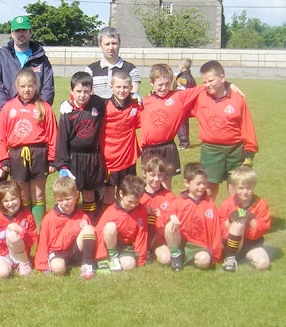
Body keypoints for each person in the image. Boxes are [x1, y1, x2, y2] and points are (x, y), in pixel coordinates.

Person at [0, 68, 58, 229]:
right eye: (23, 86)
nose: (27, 90)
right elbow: (2, 135)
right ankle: (25, 226)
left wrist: (52, 159)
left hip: (39, 153)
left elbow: (53, 134)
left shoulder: (44, 107)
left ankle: (38, 229)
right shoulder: (8, 108)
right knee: (22, 193)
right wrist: (3, 158)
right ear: (17, 87)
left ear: (36, 86)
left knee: (38, 193)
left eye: (30, 86)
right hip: (17, 155)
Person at [192, 60, 258, 199]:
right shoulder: (200, 97)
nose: (207, 85)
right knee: (208, 190)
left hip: (235, 150)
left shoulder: (237, 98)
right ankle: (208, 218)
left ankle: (237, 218)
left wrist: (250, 152)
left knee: (236, 189)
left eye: (211, 80)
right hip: (211, 151)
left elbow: (247, 125)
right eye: (204, 82)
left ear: (222, 78)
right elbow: (177, 99)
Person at [139, 63, 206, 191]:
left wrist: (228, 84)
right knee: (149, 186)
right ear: (151, 83)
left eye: (167, 84)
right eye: (160, 84)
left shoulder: (179, 97)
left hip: (167, 147)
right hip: (149, 149)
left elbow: (202, 88)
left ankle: (166, 209)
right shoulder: (144, 102)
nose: (164, 88)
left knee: (165, 185)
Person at [55, 71, 106, 224]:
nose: (82, 95)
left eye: (86, 91)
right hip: (74, 158)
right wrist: (62, 165)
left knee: (90, 193)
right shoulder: (67, 112)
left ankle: (91, 224)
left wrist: (132, 96)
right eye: (78, 91)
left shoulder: (97, 103)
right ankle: (72, 224)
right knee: (72, 193)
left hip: (92, 158)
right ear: (71, 92)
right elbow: (62, 140)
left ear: (91, 91)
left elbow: (117, 100)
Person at [157, 162, 222, 271]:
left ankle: (189, 259)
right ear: (187, 183)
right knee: (170, 225)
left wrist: (215, 255)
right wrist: (171, 217)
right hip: (180, 243)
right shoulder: (178, 202)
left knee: (204, 260)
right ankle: (177, 257)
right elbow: (159, 223)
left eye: (204, 183)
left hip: (199, 247)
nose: (202, 187)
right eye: (198, 184)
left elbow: (216, 231)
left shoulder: (209, 205)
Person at [34, 177, 97, 279]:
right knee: (59, 269)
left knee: (89, 228)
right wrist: (42, 264)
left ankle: (87, 264)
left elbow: (90, 240)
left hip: (75, 250)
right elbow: (43, 242)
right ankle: (58, 264)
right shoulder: (49, 218)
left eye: (68, 199)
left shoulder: (82, 216)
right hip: (58, 252)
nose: (64, 203)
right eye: (60, 200)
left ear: (77, 195)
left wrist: (96, 257)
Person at [0, 15, 54, 111]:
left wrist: (39, 110)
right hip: (6, 115)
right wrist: (7, 111)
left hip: (34, 115)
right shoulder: (0, 56)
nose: (20, 34)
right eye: (17, 30)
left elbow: (48, 88)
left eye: (24, 30)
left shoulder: (41, 58)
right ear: (12, 32)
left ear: (31, 32)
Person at [100, 71, 142, 209]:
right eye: (118, 87)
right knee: (108, 194)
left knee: (126, 193)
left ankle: (124, 223)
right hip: (109, 159)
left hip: (128, 159)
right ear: (111, 87)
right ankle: (107, 222)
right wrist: (67, 102)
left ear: (131, 88)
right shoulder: (103, 106)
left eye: (125, 87)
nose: (122, 90)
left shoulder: (136, 105)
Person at [218, 166, 271, 272]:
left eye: (249, 188)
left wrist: (251, 219)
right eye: (241, 188)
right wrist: (230, 220)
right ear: (235, 187)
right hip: (230, 244)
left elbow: (264, 228)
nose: (245, 191)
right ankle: (230, 257)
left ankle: (244, 258)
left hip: (252, 244)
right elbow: (219, 228)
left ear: (254, 186)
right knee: (239, 222)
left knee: (263, 264)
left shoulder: (261, 204)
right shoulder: (228, 204)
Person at [0, 180, 38, 278]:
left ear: (20, 196)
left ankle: (23, 263)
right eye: (6, 201)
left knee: (13, 235)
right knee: (3, 273)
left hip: (21, 254)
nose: (11, 203)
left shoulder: (27, 215)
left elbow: (32, 239)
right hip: (1, 253)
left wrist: (21, 231)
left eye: (13, 199)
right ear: (0, 202)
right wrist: (3, 234)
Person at [95, 175, 148, 274]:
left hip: (127, 247)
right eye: (130, 201)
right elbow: (99, 233)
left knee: (129, 265)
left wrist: (141, 260)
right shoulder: (111, 211)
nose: (133, 205)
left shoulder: (141, 211)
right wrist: (101, 257)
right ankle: (112, 258)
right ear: (121, 194)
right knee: (110, 227)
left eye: (137, 202)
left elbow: (142, 234)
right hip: (111, 245)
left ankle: (120, 260)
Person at [85, 26, 141, 100]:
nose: (111, 48)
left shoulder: (131, 69)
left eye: (114, 43)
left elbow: (133, 97)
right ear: (100, 45)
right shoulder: (90, 70)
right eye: (107, 44)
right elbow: (86, 97)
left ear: (119, 44)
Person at [139, 155, 176, 263]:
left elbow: (175, 219)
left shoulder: (169, 196)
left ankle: (151, 251)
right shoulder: (137, 195)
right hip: (139, 238)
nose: (156, 179)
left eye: (160, 175)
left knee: (166, 259)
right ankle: (144, 250)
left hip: (160, 239)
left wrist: (162, 215)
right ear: (144, 173)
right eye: (152, 175)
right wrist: (141, 211)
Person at [174, 58, 197, 150]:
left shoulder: (182, 78)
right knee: (184, 124)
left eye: (179, 65)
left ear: (182, 67)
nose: (178, 66)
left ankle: (184, 144)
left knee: (181, 124)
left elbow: (180, 91)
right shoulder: (190, 77)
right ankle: (185, 142)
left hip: (181, 104)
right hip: (188, 103)